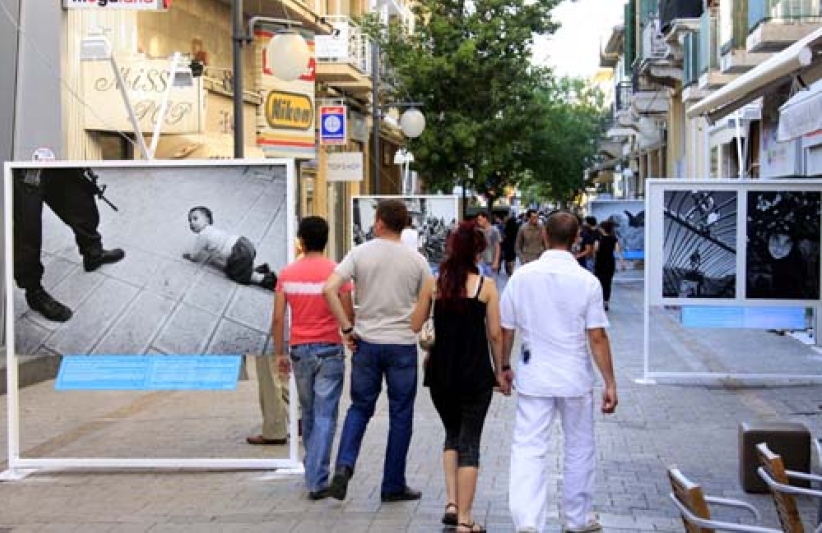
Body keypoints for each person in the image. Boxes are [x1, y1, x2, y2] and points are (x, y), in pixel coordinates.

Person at [499, 211, 618, 533]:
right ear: (577, 237)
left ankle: (527, 522)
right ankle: (576, 518)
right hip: (574, 376)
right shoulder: (587, 281)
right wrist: (610, 383)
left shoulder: (521, 278)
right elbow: (597, 336)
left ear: (546, 237)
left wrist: (503, 366)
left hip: (533, 373)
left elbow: (505, 329)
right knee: (579, 446)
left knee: (528, 447)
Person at [322, 199, 430, 502]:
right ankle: (393, 483)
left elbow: (329, 288)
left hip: (366, 343)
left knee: (359, 407)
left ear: (380, 222)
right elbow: (428, 297)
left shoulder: (359, 253)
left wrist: (346, 327)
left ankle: (344, 466)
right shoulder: (417, 261)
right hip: (402, 346)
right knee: (401, 414)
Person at [410, 222, 508, 533]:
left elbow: (415, 324)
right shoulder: (486, 287)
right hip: (476, 375)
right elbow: (495, 334)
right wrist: (501, 370)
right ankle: (466, 519)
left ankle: (452, 503)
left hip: (440, 374)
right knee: (470, 444)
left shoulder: (433, 284)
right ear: (478, 252)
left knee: (452, 436)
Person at [269, 216, 354, 499]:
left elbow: (279, 317)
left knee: (308, 412)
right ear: (326, 238)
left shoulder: (287, 274)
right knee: (326, 413)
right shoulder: (337, 272)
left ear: (301, 241)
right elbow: (348, 312)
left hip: (299, 349)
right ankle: (316, 478)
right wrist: (349, 334)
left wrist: (280, 353)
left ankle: (313, 471)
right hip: (330, 348)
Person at [13, 167, 125, 322]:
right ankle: (34, 293)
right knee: (26, 230)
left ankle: (93, 253)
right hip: (21, 170)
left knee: (80, 201)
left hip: (54, 160)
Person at [183, 206, 276, 290]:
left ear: (207, 220)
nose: (192, 223)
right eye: (189, 220)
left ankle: (264, 279)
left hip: (238, 252)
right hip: (243, 242)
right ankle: (258, 268)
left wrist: (190, 256)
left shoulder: (203, 235)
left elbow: (194, 255)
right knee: (241, 263)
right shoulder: (212, 230)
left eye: (195, 218)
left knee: (237, 273)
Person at [593, 219, 625, 311]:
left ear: (602, 229)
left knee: (598, 282)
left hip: (600, 262)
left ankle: (599, 302)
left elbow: (595, 249)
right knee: (608, 282)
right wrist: (622, 263)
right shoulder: (614, 238)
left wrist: (595, 256)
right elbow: (618, 251)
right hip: (610, 263)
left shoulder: (598, 238)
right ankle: (606, 302)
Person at [475, 211, 501, 277]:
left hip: (491, 262)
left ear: (485, 218)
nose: (478, 221)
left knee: (491, 284)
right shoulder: (479, 231)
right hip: (481, 262)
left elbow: (497, 247)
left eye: (480, 219)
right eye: (478, 220)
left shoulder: (494, 230)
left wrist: (496, 261)